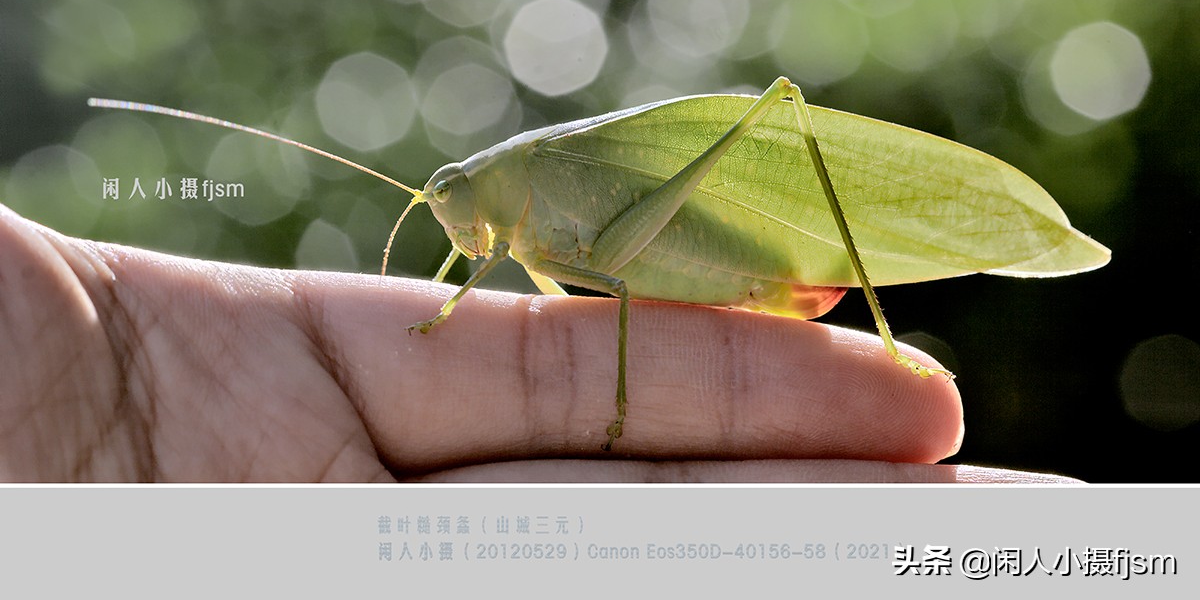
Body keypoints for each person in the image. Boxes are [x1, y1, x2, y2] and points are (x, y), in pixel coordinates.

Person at [0, 203, 1076, 483]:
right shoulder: (503, 226)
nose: (454, 225)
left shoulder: (527, 191)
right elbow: (565, 290)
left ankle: (888, 319)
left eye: (453, 205)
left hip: (683, 240)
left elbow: (609, 281)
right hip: (672, 262)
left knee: (769, 111)